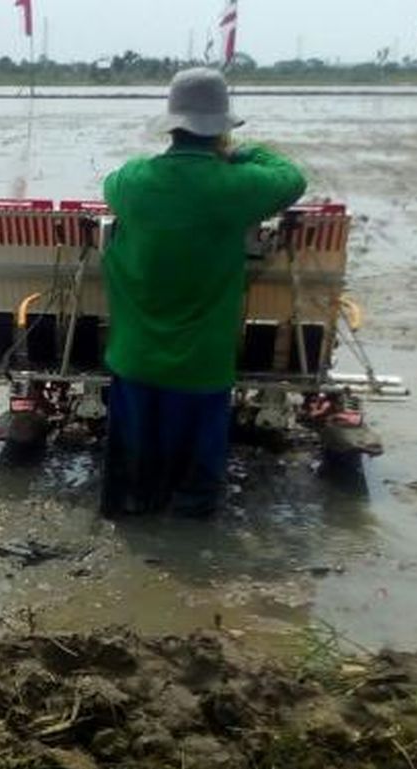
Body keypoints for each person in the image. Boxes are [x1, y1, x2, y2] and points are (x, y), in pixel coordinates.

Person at [99, 67, 306, 518]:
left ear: (172, 126)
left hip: (135, 363)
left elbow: (108, 184)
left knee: (130, 490)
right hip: (202, 369)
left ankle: (134, 533)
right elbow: (292, 177)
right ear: (221, 131)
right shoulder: (236, 188)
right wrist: (241, 153)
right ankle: (190, 549)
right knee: (194, 502)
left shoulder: (131, 183)